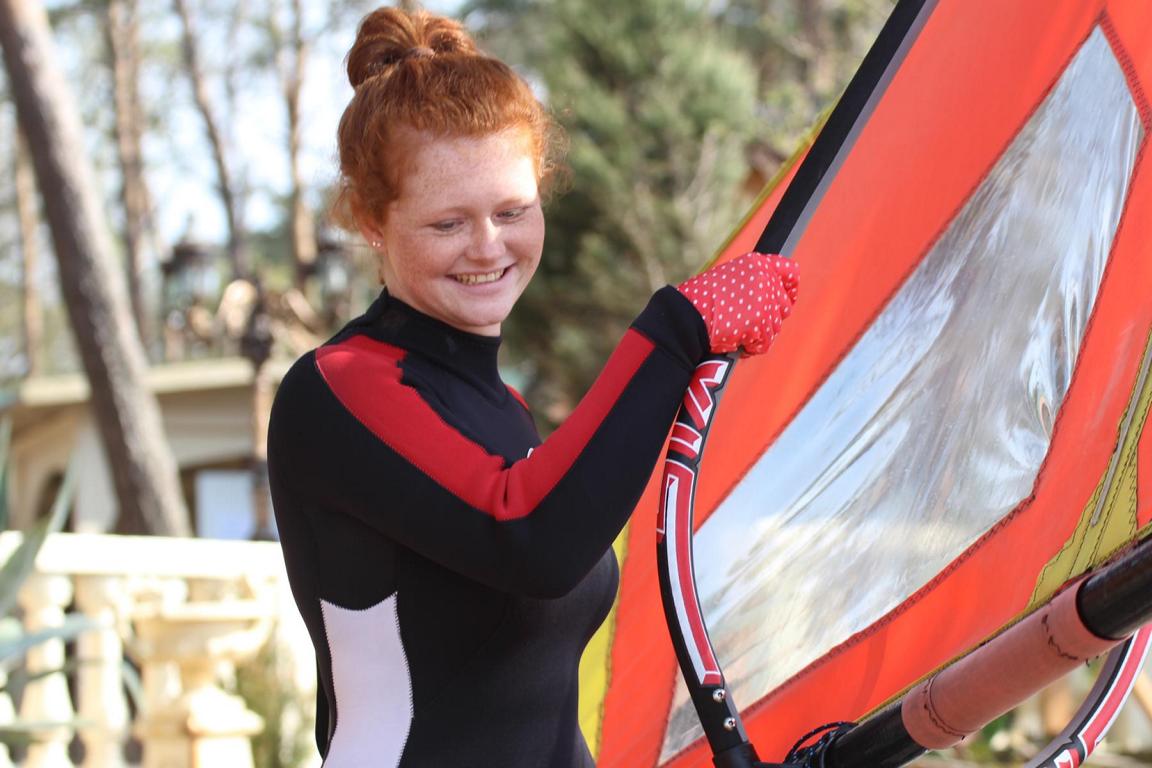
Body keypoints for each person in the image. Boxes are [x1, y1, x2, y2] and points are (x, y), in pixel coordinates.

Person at [266, 7, 799, 767]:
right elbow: (531, 538)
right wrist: (677, 329)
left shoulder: (506, 413)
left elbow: (536, 709)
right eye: (449, 224)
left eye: (512, 211)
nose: (489, 247)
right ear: (370, 220)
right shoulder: (336, 390)